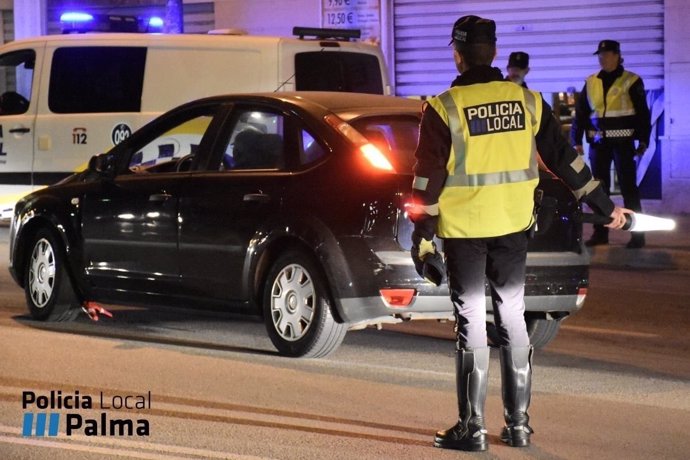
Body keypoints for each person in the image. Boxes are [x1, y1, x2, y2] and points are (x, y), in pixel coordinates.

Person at [408, 15, 630, 452]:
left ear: (456, 53)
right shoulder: (527, 101)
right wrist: (606, 207)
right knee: (513, 318)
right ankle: (519, 426)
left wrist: (423, 236)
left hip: (465, 231)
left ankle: (471, 428)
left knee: (471, 320)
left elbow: (425, 182)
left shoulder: (442, 108)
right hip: (512, 228)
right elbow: (566, 159)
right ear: (493, 52)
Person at [571, 40, 651, 248]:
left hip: (623, 142)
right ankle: (600, 233)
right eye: (600, 55)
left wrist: (643, 139)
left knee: (628, 189)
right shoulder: (591, 81)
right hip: (599, 143)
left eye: (606, 54)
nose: (602, 58)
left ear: (617, 55)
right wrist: (576, 139)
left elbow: (643, 113)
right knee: (599, 189)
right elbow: (580, 113)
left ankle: (637, 235)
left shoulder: (631, 80)